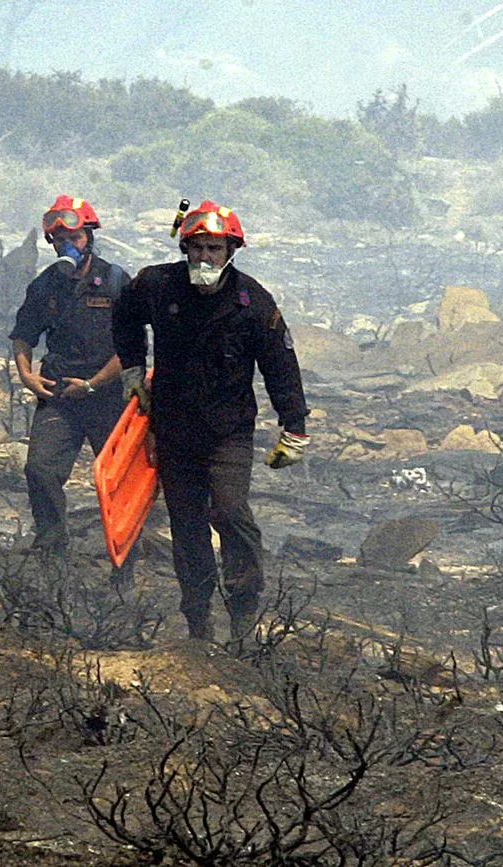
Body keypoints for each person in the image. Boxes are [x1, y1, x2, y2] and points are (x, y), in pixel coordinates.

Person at [112, 200, 309, 641]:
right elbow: (124, 315)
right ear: (185, 248)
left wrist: (294, 426)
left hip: (228, 432)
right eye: (198, 248)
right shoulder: (158, 285)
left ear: (231, 251)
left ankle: (243, 611)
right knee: (187, 526)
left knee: (231, 511)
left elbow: (281, 366)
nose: (205, 258)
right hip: (173, 429)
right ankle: (198, 620)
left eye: (214, 249)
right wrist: (132, 367)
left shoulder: (252, 303)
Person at [9, 195, 135, 585]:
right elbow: (23, 335)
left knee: (118, 483)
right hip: (60, 395)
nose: (69, 246)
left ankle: (124, 570)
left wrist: (95, 384)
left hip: (108, 397)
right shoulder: (45, 285)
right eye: (60, 239)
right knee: (40, 469)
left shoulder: (115, 281)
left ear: (89, 237)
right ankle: (52, 553)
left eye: (75, 238)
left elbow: (130, 348)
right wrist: (27, 375)